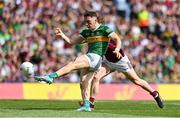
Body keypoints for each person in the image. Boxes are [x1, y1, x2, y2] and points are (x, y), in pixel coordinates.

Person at [34, 11, 122, 111]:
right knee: (84, 82)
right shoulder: (86, 32)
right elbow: (72, 42)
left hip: (96, 57)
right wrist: (63, 35)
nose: (86, 24)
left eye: (88, 21)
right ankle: (86, 105)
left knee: (73, 64)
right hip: (92, 60)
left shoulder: (104, 29)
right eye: (85, 22)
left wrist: (117, 49)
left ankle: (51, 76)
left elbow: (117, 39)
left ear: (95, 19)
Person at [79, 42, 164, 110]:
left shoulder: (106, 41)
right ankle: (91, 103)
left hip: (121, 62)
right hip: (108, 62)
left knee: (137, 81)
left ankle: (155, 94)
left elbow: (118, 47)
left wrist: (117, 50)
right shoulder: (95, 41)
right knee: (96, 77)